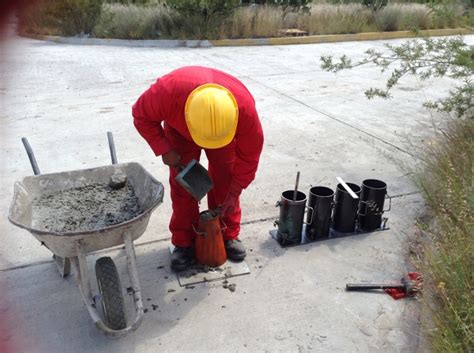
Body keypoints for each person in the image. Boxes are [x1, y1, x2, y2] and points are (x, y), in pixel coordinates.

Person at [133, 66, 264, 272]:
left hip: (224, 136)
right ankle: (183, 242)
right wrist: (164, 148)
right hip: (179, 132)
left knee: (226, 180)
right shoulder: (167, 93)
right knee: (183, 184)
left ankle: (227, 233)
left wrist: (235, 191)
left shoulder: (243, 110)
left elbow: (249, 157)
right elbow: (140, 115)